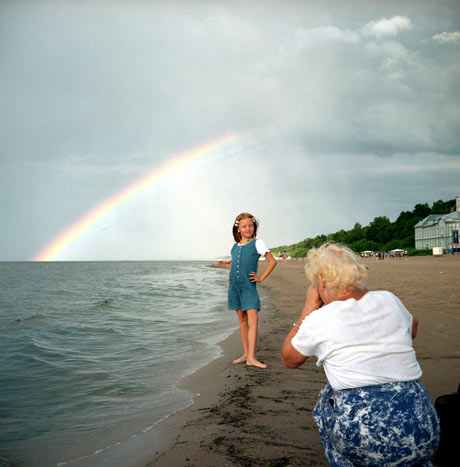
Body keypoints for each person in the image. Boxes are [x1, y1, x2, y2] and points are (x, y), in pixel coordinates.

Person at [281, 243, 440, 466]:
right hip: (422, 423)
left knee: (326, 401)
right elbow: (412, 326)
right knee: (411, 455)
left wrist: (308, 309)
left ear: (322, 283)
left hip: (366, 430)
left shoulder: (322, 318)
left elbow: (289, 358)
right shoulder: (389, 299)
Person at [228, 212, 277, 368]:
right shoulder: (234, 246)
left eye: (250, 225)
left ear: (254, 227)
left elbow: (272, 261)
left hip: (249, 287)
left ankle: (251, 357)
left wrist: (261, 278)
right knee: (242, 320)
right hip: (234, 287)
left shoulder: (258, 243)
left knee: (253, 321)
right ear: (238, 229)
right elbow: (235, 262)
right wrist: (231, 275)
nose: (248, 228)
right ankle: (245, 353)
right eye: (244, 226)